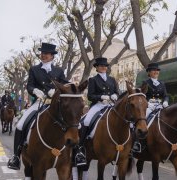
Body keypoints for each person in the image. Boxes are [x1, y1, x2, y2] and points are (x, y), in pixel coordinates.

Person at [7, 42, 74, 170]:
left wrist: (67, 88)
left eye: (47, 54)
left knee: (76, 124)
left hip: (56, 104)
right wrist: (36, 91)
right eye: (42, 53)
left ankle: (77, 154)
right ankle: (16, 156)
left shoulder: (59, 71)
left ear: (52, 56)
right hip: (39, 102)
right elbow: (30, 85)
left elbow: (65, 84)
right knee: (21, 125)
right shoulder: (34, 69)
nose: (44, 55)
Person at [78, 57, 119, 151]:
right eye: (101, 66)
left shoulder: (112, 79)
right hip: (98, 105)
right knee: (87, 121)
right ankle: (81, 146)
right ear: (96, 67)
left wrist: (115, 96)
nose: (103, 67)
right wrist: (101, 97)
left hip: (111, 104)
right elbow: (90, 96)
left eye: (105, 66)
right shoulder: (93, 80)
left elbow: (117, 92)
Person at [132, 62, 168, 153]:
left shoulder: (162, 83)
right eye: (154, 70)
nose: (156, 72)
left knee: (170, 119)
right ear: (149, 73)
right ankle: (137, 142)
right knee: (143, 120)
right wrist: (148, 103)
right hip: (149, 106)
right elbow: (142, 95)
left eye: (157, 70)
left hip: (160, 105)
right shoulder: (146, 83)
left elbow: (165, 95)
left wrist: (166, 102)